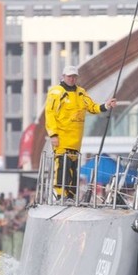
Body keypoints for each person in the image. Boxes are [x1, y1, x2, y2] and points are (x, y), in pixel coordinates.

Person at [43, 64, 116, 200]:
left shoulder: (81, 92)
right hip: (62, 138)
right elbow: (50, 114)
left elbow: (92, 107)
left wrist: (106, 105)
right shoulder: (56, 92)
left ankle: (71, 195)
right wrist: (53, 134)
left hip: (76, 140)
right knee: (62, 167)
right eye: (69, 76)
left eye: (74, 77)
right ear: (63, 77)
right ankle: (61, 195)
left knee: (73, 169)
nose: (72, 79)